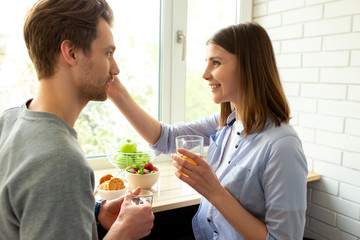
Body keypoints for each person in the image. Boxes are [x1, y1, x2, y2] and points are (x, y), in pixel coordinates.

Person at [107, 22, 308, 239]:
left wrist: (213, 191)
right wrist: (116, 92)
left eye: (216, 62)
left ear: (249, 66)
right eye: (206, 62)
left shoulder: (283, 146)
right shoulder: (226, 123)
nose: (205, 74)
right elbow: (166, 138)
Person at [0, 0, 154, 239]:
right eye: (108, 53)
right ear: (71, 53)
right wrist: (122, 234)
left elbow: (20, 213)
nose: (115, 69)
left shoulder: (9, 119)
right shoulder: (61, 161)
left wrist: (91, 211)